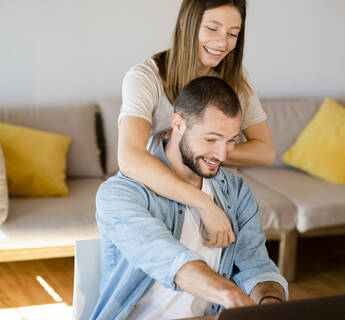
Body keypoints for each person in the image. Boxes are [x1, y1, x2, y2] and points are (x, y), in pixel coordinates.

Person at [91, 77, 287, 320]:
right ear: (178, 124)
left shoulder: (236, 192)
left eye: (231, 141)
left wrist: (271, 302)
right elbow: (171, 260)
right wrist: (230, 295)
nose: (222, 154)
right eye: (211, 139)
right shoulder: (121, 195)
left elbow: (256, 265)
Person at [118, 0, 275, 249]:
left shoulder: (236, 79)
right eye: (212, 28)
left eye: (233, 34)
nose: (222, 43)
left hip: (216, 193)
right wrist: (201, 203)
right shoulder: (145, 79)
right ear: (185, 23)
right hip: (161, 197)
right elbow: (129, 158)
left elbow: (265, 152)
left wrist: (204, 150)